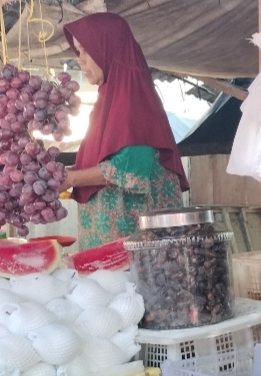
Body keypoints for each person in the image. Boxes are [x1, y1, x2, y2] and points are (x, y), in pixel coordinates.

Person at [61, 13, 189, 249]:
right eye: (78, 52)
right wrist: (64, 176)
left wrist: (69, 178)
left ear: (108, 49)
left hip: (137, 249)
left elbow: (128, 168)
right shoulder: (107, 99)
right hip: (108, 248)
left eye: (87, 50)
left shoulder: (132, 96)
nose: (80, 60)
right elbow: (104, 163)